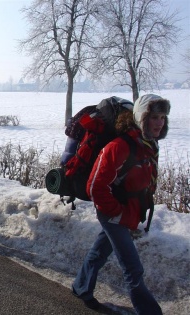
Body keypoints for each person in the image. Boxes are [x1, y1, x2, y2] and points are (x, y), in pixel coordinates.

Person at [72, 94, 170, 315]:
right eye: (154, 117)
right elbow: (95, 186)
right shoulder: (120, 146)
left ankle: (81, 287)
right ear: (142, 117)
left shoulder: (148, 144)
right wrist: (116, 213)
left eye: (163, 117)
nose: (160, 123)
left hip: (128, 211)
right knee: (133, 269)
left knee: (99, 253)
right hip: (113, 212)